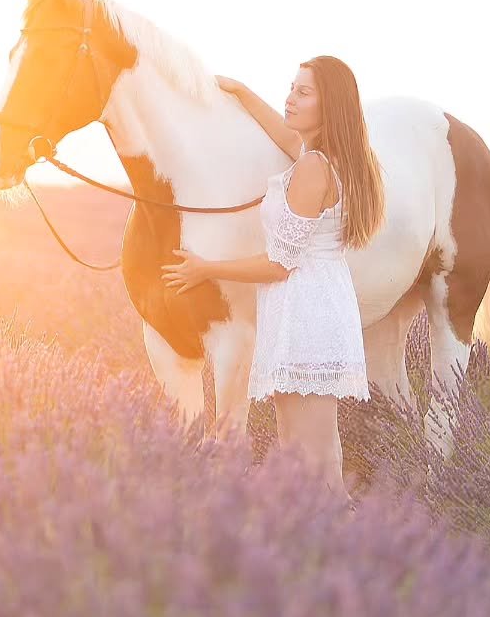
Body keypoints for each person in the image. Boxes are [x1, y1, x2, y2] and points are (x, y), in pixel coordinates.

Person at [161, 55, 386, 504]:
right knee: (306, 452)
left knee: (312, 459)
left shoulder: (314, 168)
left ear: (332, 105)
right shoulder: (329, 158)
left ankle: (350, 549)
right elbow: (285, 133)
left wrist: (207, 267)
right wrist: (242, 92)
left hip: (305, 311)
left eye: (304, 92)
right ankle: (327, 548)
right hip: (313, 305)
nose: (290, 97)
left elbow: (280, 264)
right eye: (291, 87)